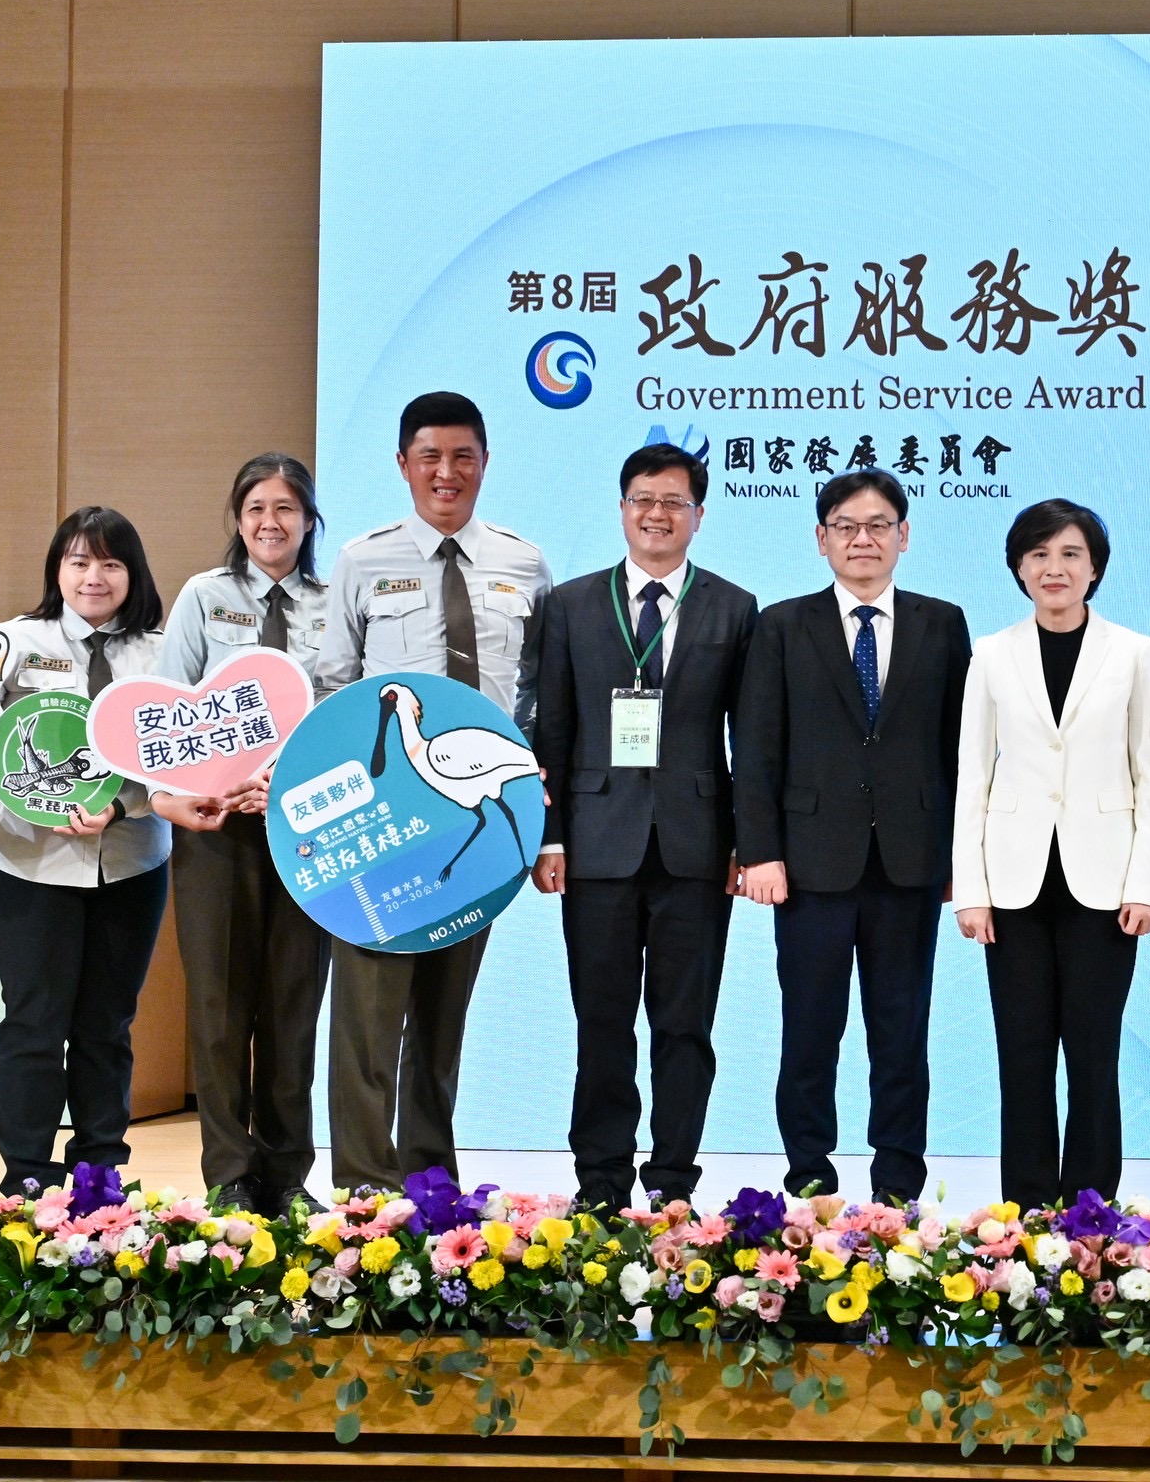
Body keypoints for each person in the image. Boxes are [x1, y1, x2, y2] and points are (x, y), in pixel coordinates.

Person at [315, 392, 553, 1193]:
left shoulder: (524, 564)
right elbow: (333, 686)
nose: (446, 473)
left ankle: (428, 1181)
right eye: (429, 457)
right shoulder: (362, 560)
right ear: (403, 465)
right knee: (367, 1013)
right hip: (386, 822)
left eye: (462, 457)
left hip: (476, 821)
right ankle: (363, 1188)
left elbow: (541, 688)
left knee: (444, 1014)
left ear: (484, 463)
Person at [531, 442, 758, 1213]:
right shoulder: (569, 604)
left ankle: (672, 1182)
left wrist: (748, 842)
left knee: (685, 1026)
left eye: (673, 503)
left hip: (697, 845)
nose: (656, 514)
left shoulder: (734, 607)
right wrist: (551, 835)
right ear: (622, 508)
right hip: (595, 844)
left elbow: (750, 739)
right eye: (643, 500)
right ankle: (600, 1180)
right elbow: (553, 728)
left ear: (699, 515)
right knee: (601, 1023)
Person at [734, 468, 971, 1204]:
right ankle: (810, 1179)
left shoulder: (942, 623)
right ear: (821, 538)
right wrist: (760, 852)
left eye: (878, 525)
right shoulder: (781, 625)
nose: (862, 539)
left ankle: (898, 1186)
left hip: (911, 863)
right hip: (809, 866)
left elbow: (961, 748)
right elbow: (756, 747)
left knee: (901, 1035)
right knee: (810, 1032)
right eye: (845, 526)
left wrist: (961, 858)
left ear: (904, 536)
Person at [0, 508, 173, 1195]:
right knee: (34, 1019)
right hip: (23, 860)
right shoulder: (11, 642)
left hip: (130, 860)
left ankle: (100, 1175)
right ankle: (27, 1178)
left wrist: (120, 806)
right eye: (79, 561)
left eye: (111, 563)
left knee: (107, 1024)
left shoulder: (163, 655)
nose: (94, 577)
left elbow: (178, 757)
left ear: (134, 574)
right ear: (57, 569)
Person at [952, 500, 1150, 1207]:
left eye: (1071, 554)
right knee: (1022, 1055)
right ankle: (1023, 1212)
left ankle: (1090, 1210)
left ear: (1094, 568)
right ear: (1018, 567)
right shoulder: (992, 653)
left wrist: (1147, 882)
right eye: (1040, 554)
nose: (1055, 568)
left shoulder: (1132, 652)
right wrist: (971, 889)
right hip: (1012, 883)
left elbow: (1148, 772)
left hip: (1105, 883)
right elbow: (973, 775)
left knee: (1094, 1053)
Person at [145, 455, 334, 1216]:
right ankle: (229, 1175)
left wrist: (290, 781)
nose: (270, 522)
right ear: (237, 518)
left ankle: (287, 1177)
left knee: (292, 1006)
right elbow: (164, 713)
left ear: (309, 520)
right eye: (256, 508)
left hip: (306, 830)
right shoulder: (205, 596)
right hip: (216, 829)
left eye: (285, 508)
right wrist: (184, 794)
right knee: (219, 1009)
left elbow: (345, 713)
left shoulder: (335, 602)